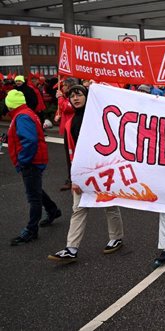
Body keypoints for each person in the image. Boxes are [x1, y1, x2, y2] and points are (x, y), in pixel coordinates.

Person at [48, 85, 124, 263]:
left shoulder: (97, 118)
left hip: (101, 170)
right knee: (79, 209)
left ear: (87, 97)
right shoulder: (69, 122)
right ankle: (71, 249)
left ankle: (117, 237)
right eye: (72, 96)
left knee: (110, 205)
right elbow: (70, 152)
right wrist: (72, 177)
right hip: (81, 173)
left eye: (79, 94)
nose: (75, 98)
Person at [6, 90, 61, 245]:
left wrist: (23, 160)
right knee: (35, 189)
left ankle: (31, 230)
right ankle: (52, 210)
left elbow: (29, 141)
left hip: (31, 161)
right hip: (35, 159)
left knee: (33, 197)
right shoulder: (25, 112)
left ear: (10, 105)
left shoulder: (21, 116)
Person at [54, 78, 77, 191]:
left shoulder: (72, 97)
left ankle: (73, 179)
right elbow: (63, 109)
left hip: (72, 129)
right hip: (67, 128)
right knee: (69, 156)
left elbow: (67, 107)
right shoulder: (66, 97)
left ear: (69, 86)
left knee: (71, 155)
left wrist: (60, 98)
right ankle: (71, 178)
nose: (62, 87)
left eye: (64, 85)